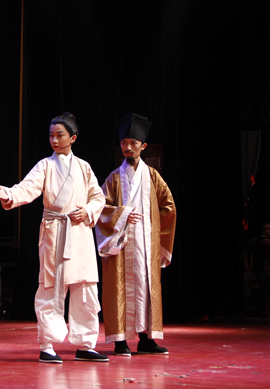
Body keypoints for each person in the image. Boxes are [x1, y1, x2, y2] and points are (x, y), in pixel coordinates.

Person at [0, 112, 108, 363]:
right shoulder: (45, 165)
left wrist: (88, 211)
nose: (54, 140)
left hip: (80, 232)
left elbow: (98, 197)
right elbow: (28, 187)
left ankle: (85, 344)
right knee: (51, 287)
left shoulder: (84, 167)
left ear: (73, 138)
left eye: (60, 135)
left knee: (85, 287)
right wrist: (10, 194)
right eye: (51, 136)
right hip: (56, 230)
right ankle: (47, 345)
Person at [95, 113, 176, 357]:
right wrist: (122, 215)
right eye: (124, 143)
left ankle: (146, 339)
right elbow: (100, 207)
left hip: (145, 242)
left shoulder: (152, 176)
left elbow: (168, 205)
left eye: (133, 143)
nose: (128, 147)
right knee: (119, 289)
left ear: (143, 146)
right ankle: (120, 341)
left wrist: (157, 234)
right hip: (120, 242)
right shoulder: (113, 178)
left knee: (145, 288)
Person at [244, 222, 270, 315]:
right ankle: (250, 305)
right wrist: (247, 266)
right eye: (264, 229)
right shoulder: (256, 241)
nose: (267, 231)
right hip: (256, 271)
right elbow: (244, 251)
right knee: (243, 278)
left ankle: (257, 307)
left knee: (267, 278)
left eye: (269, 229)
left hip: (269, 272)